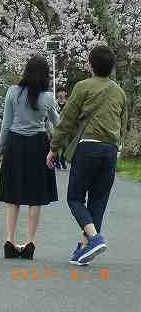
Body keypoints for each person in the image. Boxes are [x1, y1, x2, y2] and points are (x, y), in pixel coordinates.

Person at [49, 45, 127, 266]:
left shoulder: (83, 87)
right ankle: (84, 249)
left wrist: (54, 148)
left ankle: (94, 238)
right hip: (111, 150)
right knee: (98, 200)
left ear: (90, 65)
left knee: (74, 197)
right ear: (112, 68)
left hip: (88, 148)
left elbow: (66, 120)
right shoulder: (120, 92)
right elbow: (123, 125)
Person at [0, 55, 60, 260]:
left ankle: (9, 240)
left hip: (14, 144)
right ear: (45, 76)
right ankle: (31, 242)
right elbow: (57, 124)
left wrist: (1, 148)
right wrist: (57, 145)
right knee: (35, 197)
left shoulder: (12, 93)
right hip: (37, 145)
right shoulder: (47, 98)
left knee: (12, 195)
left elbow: (6, 124)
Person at [55, 89, 68, 170]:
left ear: (65, 93)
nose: (61, 94)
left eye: (62, 92)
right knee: (56, 144)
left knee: (65, 145)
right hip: (55, 127)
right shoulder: (54, 103)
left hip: (65, 127)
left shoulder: (68, 104)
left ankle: (62, 159)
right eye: (59, 92)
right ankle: (56, 162)